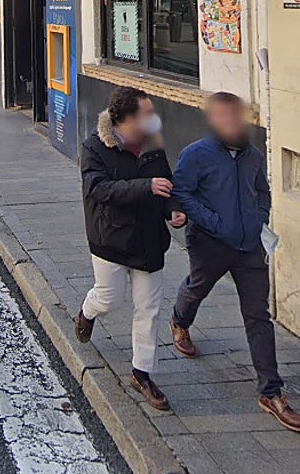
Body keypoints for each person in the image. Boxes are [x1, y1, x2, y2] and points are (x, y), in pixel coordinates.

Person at [168, 92, 300, 431]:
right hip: (209, 244)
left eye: (235, 116)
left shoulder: (253, 155)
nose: (231, 122)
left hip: (248, 247)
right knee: (198, 286)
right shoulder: (197, 154)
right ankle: (179, 320)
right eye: (223, 116)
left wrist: (257, 218)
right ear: (213, 121)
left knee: (258, 316)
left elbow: (264, 191)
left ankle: (271, 393)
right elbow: (181, 192)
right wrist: (213, 222)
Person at [74, 87, 186, 411]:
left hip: (149, 239)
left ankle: (142, 373)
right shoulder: (94, 148)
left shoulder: (152, 146)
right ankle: (87, 312)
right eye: (146, 115)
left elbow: (167, 183)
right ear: (125, 120)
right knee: (110, 297)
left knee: (148, 308)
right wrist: (145, 187)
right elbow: (98, 189)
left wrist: (174, 210)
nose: (153, 120)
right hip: (111, 237)